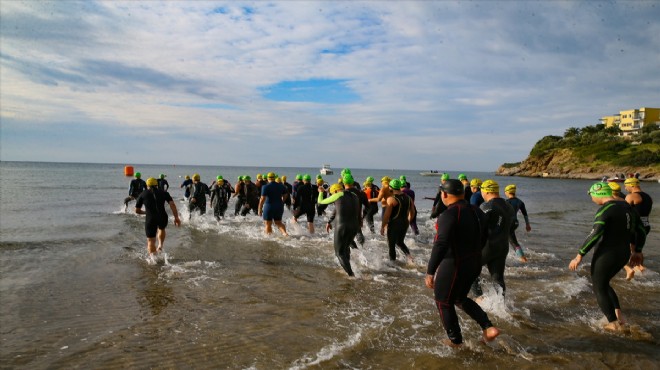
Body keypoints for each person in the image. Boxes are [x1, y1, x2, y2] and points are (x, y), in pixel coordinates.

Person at [425, 179, 500, 347]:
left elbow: (441, 244)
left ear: (444, 194)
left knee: (443, 301)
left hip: (455, 263)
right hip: (474, 262)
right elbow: (484, 237)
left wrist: (430, 271)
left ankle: (455, 341)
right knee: (459, 298)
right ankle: (488, 327)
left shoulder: (449, 214)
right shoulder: (477, 211)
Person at [569, 182, 646, 331]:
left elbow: (595, 234)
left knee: (598, 286)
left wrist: (579, 255)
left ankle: (613, 323)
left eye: (591, 195)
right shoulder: (628, 208)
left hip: (607, 253)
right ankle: (619, 316)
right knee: (605, 283)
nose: (591, 199)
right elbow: (641, 230)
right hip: (623, 253)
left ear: (598, 194)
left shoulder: (606, 209)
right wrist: (638, 251)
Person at [471, 180, 514, 298]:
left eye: (482, 191)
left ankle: (478, 300)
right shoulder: (509, 206)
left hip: (488, 246)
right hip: (503, 247)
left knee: (471, 271)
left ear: (486, 191)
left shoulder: (487, 205)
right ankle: (500, 306)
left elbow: (477, 225)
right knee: (498, 278)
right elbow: (514, 225)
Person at [318, 182, 362, 276]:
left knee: (339, 253)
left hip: (342, 226)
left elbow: (321, 202)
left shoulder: (338, 195)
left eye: (332, 194)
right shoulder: (354, 196)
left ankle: (351, 275)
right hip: (354, 226)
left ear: (336, 191)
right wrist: (329, 221)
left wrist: (321, 192)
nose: (332, 196)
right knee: (346, 248)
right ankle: (348, 267)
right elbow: (338, 208)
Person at [134, 177, 181, 261]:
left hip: (150, 218)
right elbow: (172, 204)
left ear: (147, 185)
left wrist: (145, 212)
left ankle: (153, 261)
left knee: (151, 240)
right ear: (157, 185)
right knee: (161, 228)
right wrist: (176, 217)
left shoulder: (143, 194)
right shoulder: (164, 192)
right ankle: (160, 246)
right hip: (162, 216)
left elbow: (137, 210)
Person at [622, 177, 653, 280]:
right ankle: (641, 269)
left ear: (631, 185)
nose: (625, 188)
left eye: (625, 186)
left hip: (636, 227)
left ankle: (634, 268)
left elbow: (624, 212)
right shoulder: (648, 197)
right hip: (646, 225)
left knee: (632, 249)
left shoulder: (631, 196)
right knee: (638, 248)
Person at [381, 179, 415, 264]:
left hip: (394, 224)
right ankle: (410, 258)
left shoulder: (391, 199)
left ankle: (393, 264)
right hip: (405, 223)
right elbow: (413, 211)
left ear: (391, 188)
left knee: (391, 245)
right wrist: (409, 221)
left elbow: (386, 215)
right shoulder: (408, 198)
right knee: (400, 242)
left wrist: (382, 226)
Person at [504, 184, 531, 263]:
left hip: (508, 223)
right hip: (515, 223)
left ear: (508, 192)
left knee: (512, 241)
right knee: (510, 239)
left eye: (505, 191)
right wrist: (527, 225)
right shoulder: (520, 202)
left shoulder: (506, 202)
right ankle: (519, 256)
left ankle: (523, 259)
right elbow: (525, 214)